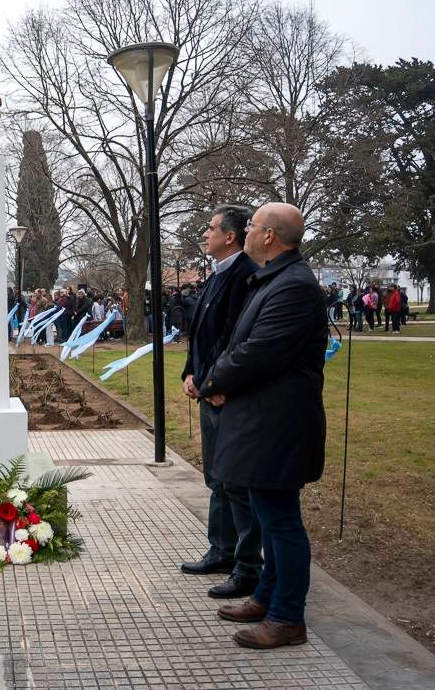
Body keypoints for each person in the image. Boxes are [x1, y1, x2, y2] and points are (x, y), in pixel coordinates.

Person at [203, 202, 327, 649]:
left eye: (252, 225)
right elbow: (242, 343)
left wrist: (213, 381)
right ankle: (267, 597)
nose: (248, 232)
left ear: (270, 235)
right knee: (267, 514)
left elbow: (258, 352)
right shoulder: (274, 278)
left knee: (281, 520)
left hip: (279, 424)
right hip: (264, 421)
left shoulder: (294, 286)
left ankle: (288, 617)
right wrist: (218, 378)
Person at [180, 205, 262, 601]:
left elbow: (233, 339)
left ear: (230, 236)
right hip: (208, 390)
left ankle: (247, 565)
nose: (205, 234)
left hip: (226, 393)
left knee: (236, 483)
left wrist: (212, 381)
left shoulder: (245, 275)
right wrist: (189, 373)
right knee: (216, 478)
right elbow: (200, 334)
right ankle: (221, 550)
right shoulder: (217, 274)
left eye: (211, 228)